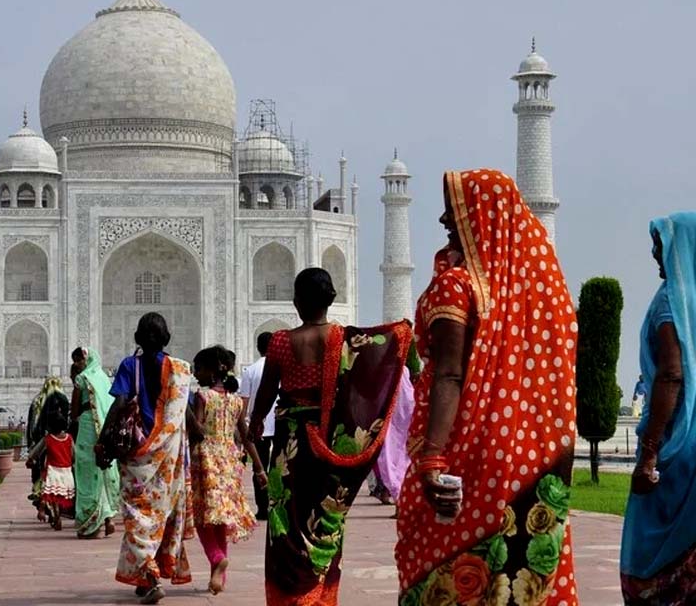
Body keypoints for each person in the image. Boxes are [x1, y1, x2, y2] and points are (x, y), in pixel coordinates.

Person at [394, 169, 579, 604]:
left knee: (448, 571)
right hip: (528, 454)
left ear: (482, 217)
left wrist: (433, 456)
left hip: (467, 448)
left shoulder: (457, 285)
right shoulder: (534, 292)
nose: (443, 219)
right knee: (517, 572)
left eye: (455, 209)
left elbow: (450, 374)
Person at [247, 268, 411, 605]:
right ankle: (319, 596)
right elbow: (369, 375)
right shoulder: (343, 338)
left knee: (286, 519)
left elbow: (267, 392)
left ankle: (291, 597)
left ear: (295, 301)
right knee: (324, 516)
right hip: (328, 441)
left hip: (289, 445)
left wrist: (255, 423)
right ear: (332, 300)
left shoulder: (279, 341)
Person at [621, 212, 696, 603]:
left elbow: (671, 375)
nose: (654, 253)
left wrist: (649, 454)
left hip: (677, 446)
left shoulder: (672, 301)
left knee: (651, 560)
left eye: (661, 244)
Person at [108, 312, 194, 604]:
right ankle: (146, 577)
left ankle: (152, 575)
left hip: (136, 456)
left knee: (137, 518)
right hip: (168, 461)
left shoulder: (129, 365)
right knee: (158, 517)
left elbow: (119, 404)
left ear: (138, 338)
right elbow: (189, 418)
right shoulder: (180, 370)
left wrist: (103, 439)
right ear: (167, 337)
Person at [190, 345, 261, 595]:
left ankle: (217, 557)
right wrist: (260, 470)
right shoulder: (234, 401)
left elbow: (197, 431)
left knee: (202, 518)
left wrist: (185, 411)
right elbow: (246, 436)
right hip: (230, 461)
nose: (195, 373)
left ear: (211, 371)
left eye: (198, 369)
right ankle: (219, 578)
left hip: (206, 460)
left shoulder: (202, 396)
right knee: (220, 519)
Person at [71, 346, 121, 539]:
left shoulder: (82, 379)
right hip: (104, 431)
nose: (76, 365)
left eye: (78, 360)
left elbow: (74, 412)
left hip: (86, 427)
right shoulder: (103, 378)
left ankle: (90, 524)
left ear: (87, 359)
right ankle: (108, 517)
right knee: (101, 470)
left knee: (86, 472)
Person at [239, 331, 276, 520]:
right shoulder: (281, 369)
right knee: (279, 467)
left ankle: (263, 508)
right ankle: (277, 506)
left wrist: (244, 427)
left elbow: (243, 404)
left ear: (258, 348)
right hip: (279, 425)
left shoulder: (251, 371)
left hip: (257, 426)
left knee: (259, 467)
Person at [367, 366, 416, 508]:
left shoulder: (394, 370)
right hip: (397, 423)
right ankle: (398, 498)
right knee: (394, 460)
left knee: (389, 460)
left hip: (392, 423)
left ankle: (397, 498)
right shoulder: (401, 370)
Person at [25, 406, 75, 530]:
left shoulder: (48, 439)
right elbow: (74, 454)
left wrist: (31, 460)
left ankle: (43, 509)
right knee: (61, 494)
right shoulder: (69, 438)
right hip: (67, 471)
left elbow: (35, 452)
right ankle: (58, 513)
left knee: (45, 491)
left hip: (52, 470)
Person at [27, 377, 71, 516]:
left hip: (42, 439)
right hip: (61, 439)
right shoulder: (62, 399)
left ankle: (39, 496)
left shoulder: (38, 400)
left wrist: (31, 445)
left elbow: (32, 424)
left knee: (41, 473)